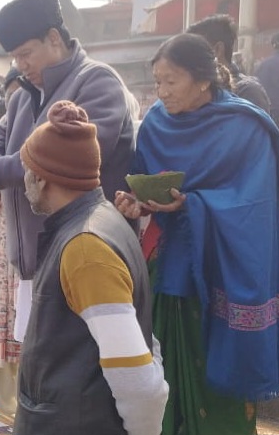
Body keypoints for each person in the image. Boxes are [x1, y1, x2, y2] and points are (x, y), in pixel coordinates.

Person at [115, 33, 279, 435]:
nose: (162, 92)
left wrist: (192, 204)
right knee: (163, 376)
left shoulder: (246, 125)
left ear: (202, 79)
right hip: (166, 267)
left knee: (218, 388)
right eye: (157, 81)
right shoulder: (156, 124)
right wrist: (137, 203)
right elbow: (146, 182)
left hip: (223, 270)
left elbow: (256, 203)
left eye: (171, 81)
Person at [0, 0, 138, 341]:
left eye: (25, 54)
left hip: (88, 256)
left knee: (88, 360)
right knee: (42, 364)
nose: (20, 65)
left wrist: (0, 172)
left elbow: (75, 153)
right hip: (35, 264)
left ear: (54, 38)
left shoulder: (97, 80)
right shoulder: (22, 97)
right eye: (14, 57)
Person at [13, 100, 168, 434]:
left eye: (27, 170)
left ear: (41, 178)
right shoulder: (101, 221)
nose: (24, 182)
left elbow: (139, 384)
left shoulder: (85, 248)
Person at [187, 14, 270, 112]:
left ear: (217, 50)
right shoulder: (195, 90)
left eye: (193, 51)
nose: (187, 59)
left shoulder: (246, 91)